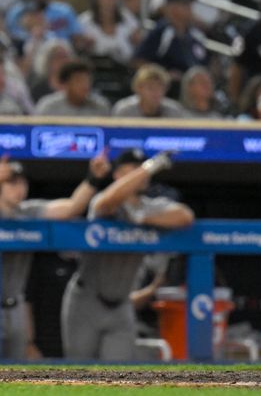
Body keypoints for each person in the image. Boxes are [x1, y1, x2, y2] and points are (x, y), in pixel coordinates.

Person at [0, 152, 112, 360]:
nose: (18, 188)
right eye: (11, 183)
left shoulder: (29, 211)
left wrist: (93, 178)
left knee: (15, 375)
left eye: (22, 183)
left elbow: (72, 207)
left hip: (15, 307)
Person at [61, 149, 194, 361]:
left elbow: (185, 217)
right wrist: (150, 167)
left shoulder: (149, 207)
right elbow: (107, 202)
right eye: (132, 170)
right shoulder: (103, 202)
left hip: (122, 305)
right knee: (79, 372)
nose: (140, 175)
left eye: (141, 169)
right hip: (86, 301)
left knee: (119, 376)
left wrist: (141, 219)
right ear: (117, 175)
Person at [135, 0, 209, 78]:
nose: (189, 8)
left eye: (189, 5)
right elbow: (138, 61)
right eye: (184, 5)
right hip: (169, 88)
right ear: (172, 8)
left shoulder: (196, 36)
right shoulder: (161, 32)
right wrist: (164, 75)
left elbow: (205, 64)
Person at [78, 0, 141, 65]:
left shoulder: (127, 18)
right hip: (97, 70)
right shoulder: (84, 22)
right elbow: (79, 49)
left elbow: (139, 43)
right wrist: (85, 45)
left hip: (126, 68)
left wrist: (136, 40)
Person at [34, 59, 110, 117]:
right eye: (79, 80)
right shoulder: (48, 107)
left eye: (87, 80)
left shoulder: (101, 107)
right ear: (66, 84)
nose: (85, 85)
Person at [112, 63, 188, 118]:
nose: (156, 92)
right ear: (138, 88)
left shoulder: (174, 111)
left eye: (160, 87)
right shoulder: (125, 110)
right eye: (150, 88)